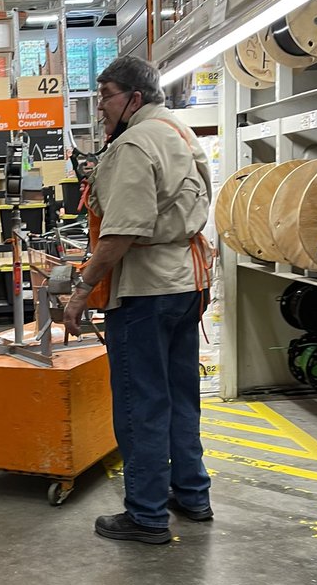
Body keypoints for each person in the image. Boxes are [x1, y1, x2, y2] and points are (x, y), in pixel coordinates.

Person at [63, 55, 213, 546]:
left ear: (133, 97)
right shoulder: (180, 133)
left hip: (146, 290)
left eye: (105, 96)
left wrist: (82, 289)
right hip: (186, 284)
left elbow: (121, 232)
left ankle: (147, 514)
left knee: (140, 402)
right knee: (179, 394)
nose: (100, 107)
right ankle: (191, 494)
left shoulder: (134, 143)